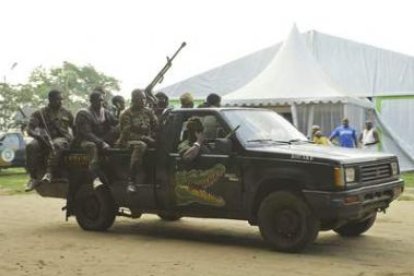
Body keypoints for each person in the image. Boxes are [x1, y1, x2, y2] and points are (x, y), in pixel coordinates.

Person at [25, 90, 74, 191]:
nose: (60, 102)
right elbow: (29, 129)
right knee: (31, 146)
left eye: (61, 99)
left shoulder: (67, 112)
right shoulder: (40, 113)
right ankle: (33, 177)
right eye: (57, 99)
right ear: (50, 100)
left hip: (62, 138)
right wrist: (38, 136)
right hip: (45, 138)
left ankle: (49, 173)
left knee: (57, 144)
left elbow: (75, 128)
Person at [116, 89, 158, 188]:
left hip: (147, 139)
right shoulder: (127, 114)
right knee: (140, 146)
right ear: (134, 100)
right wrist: (145, 138)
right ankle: (131, 180)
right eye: (141, 99)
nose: (144, 101)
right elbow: (127, 133)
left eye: (144, 98)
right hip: (127, 141)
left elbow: (156, 126)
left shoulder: (148, 111)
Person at [74, 91, 118, 183]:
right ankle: (95, 176)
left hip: (101, 139)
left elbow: (115, 122)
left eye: (102, 100)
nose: (101, 102)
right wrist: (102, 143)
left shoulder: (105, 112)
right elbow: (87, 133)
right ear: (92, 101)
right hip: (86, 140)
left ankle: (114, 175)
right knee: (92, 147)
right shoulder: (84, 113)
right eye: (98, 100)